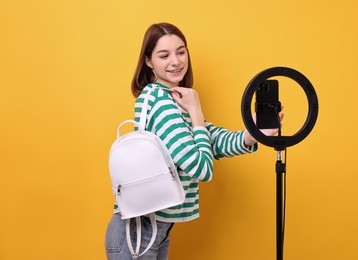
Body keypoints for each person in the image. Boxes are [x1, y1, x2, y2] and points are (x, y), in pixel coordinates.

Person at [105, 22, 283, 260]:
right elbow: (201, 167)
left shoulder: (175, 99)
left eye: (181, 51)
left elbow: (210, 140)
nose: (176, 61)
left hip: (156, 229)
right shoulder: (160, 100)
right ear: (149, 61)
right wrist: (196, 111)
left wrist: (253, 133)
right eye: (164, 55)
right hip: (138, 232)